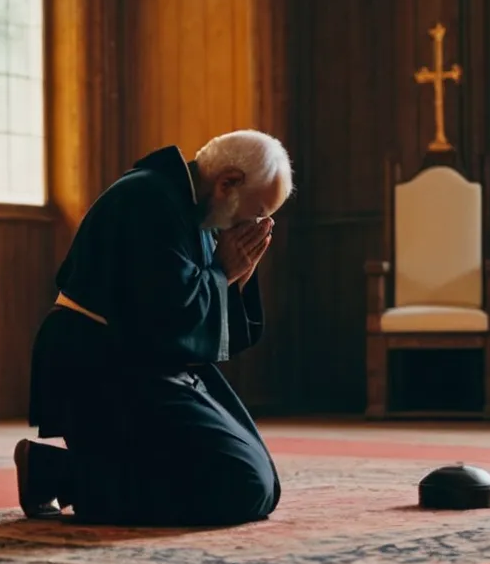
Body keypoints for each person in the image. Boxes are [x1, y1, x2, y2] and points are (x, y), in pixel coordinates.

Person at [16, 129, 294, 526]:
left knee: (264, 482)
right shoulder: (147, 199)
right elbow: (158, 316)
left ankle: (57, 468)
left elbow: (203, 313)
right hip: (98, 363)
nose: (248, 228)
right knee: (242, 485)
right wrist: (222, 272)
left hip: (150, 362)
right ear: (227, 183)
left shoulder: (198, 207)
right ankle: (62, 475)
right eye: (251, 216)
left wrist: (236, 277)